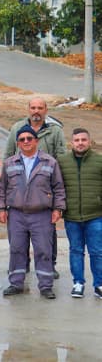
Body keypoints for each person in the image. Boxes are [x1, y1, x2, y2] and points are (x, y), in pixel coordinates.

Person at [0, 125, 66, 300]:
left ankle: (46, 286)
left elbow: (59, 188)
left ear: (36, 140)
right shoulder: (10, 163)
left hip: (41, 214)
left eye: (29, 138)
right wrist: (1, 208)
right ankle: (16, 283)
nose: (26, 141)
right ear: (18, 143)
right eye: (22, 139)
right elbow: (1, 188)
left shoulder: (49, 162)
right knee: (17, 249)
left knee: (43, 250)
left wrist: (58, 209)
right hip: (16, 215)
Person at [4, 97, 66, 278]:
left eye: (40, 108)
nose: (36, 111)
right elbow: (8, 153)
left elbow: (61, 157)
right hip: (20, 185)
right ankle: (22, 266)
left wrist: (57, 192)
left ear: (46, 110)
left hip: (44, 186)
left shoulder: (55, 130)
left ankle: (50, 265)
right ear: (28, 109)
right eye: (33, 108)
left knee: (47, 233)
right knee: (18, 238)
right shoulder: (17, 128)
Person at [56, 128, 102, 299]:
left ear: (89, 142)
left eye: (83, 139)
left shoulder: (99, 161)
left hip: (95, 215)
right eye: (77, 140)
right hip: (72, 216)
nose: (80, 143)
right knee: (76, 250)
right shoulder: (62, 162)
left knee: (97, 251)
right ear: (71, 142)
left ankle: (99, 284)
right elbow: (57, 187)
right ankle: (78, 283)